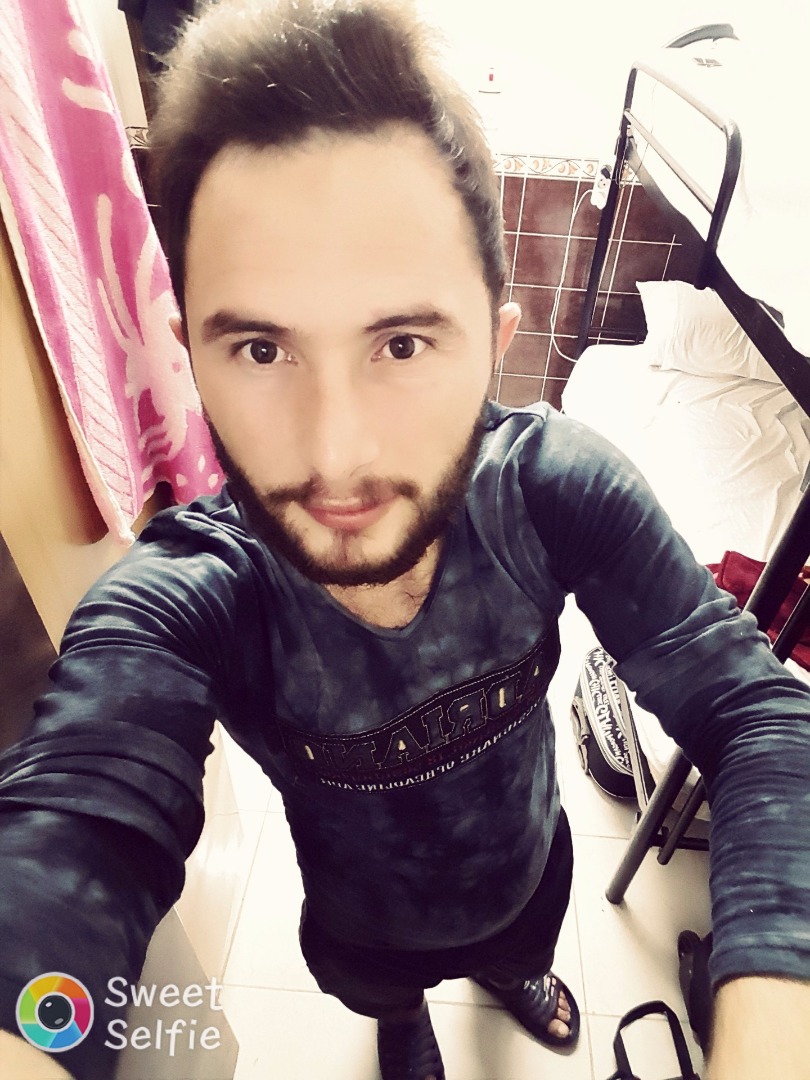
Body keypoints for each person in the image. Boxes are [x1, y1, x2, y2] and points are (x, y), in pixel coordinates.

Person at [1, 1, 808, 1078]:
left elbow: (760, 716)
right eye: (261, 350)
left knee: (521, 951)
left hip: (528, 876)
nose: (335, 452)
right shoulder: (192, 597)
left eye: (403, 343)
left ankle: (516, 975)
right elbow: (72, 832)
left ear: (494, 346)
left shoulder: (553, 491)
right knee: (389, 1003)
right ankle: (403, 1022)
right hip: (361, 931)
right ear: (190, 355)